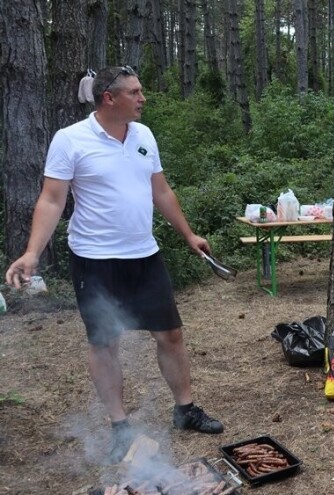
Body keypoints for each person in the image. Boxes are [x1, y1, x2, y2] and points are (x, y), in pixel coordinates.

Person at [4, 66, 223, 464]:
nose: (143, 98)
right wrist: (32, 252)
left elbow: (160, 190)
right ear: (109, 98)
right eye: (134, 92)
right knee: (104, 342)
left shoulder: (143, 135)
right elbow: (52, 200)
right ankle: (120, 426)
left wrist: (188, 234)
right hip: (94, 261)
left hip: (144, 255)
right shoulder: (70, 139)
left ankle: (185, 409)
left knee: (170, 334)